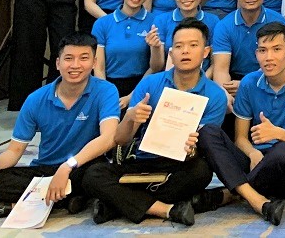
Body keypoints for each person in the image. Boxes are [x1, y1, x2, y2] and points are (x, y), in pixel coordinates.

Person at [82, 19, 226, 227]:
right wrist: (130, 118)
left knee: (201, 172)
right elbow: (120, 139)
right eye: (179, 46)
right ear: (171, 53)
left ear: (206, 52)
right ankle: (166, 209)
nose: (185, 51)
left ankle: (117, 204)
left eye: (193, 45)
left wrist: (192, 148)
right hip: (141, 160)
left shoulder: (215, 95)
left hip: (179, 165)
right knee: (93, 175)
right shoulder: (150, 84)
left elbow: (203, 147)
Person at [0, 33, 119, 221]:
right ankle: (66, 198)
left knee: (97, 175)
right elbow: (14, 151)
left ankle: (24, 203)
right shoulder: (35, 99)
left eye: (83, 58)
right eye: (68, 58)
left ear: (94, 63)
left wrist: (67, 166)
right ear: (58, 63)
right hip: (46, 169)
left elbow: (108, 138)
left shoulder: (106, 91)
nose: (75, 65)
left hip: (81, 165)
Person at [198, 21, 285, 225]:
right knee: (208, 132)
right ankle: (253, 198)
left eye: (276, 49)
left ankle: (231, 193)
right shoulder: (249, 82)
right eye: (263, 50)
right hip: (255, 161)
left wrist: (277, 133)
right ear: (256, 54)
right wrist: (253, 153)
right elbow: (240, 139)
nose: (269, 57)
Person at [212, 0, 283, 106]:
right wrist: (225, 95)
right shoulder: (224, 26)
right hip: (234, 81)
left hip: (269, 78)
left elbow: (279, 63)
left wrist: (246, 84)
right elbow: (221, 70)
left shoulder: (278, 22)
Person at [92, 0, 160, 101]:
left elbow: (156, 67)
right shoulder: (102, 23)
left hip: (143, 87)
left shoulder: (155, 22)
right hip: (108, 87)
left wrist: (131, 97)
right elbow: (99, 67)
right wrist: (107, 96)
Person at [156, 0, 218, 67]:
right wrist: (154, 47)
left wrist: (203, 77)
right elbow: (157, 67)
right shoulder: (161, 20)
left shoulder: (213, 21)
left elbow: (215, 64)